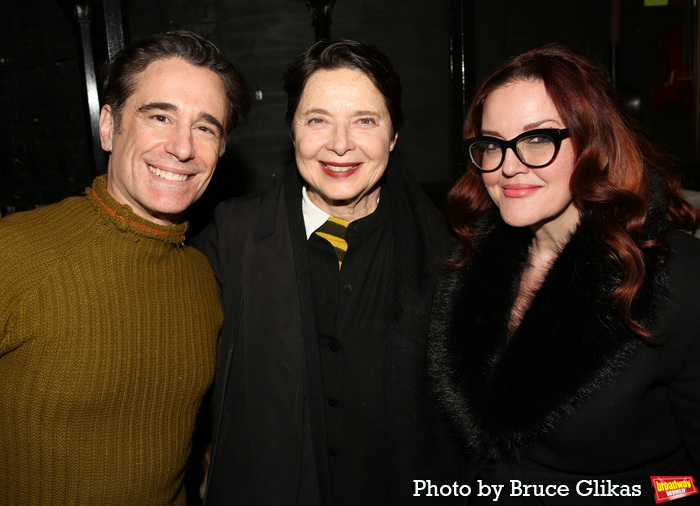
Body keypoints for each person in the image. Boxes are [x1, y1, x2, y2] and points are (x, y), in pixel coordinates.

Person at [194, 39, 464, 505]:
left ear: (394, 135)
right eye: (317, 120)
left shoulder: (451, 256)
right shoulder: (231, 238)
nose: (340, 144)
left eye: (365, 120)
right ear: (292, 132)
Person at [428, 43, 700, 504]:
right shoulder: (468, 262)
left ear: (595, 141)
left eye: (538, 139)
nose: (508, 166)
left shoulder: (676, 276)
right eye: (492, 143)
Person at [0, 30, 249, 505]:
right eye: (160, 116)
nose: (182, 149)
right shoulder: (15, 254)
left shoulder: (202, 277)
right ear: (109, 127)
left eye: (205, 127)